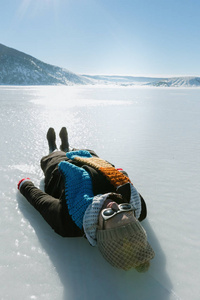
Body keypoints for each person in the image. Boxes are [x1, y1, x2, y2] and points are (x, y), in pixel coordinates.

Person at [17, 127, 155, 272]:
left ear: (97, 229)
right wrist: (117, 173)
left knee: (54, 155)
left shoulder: (68, 222)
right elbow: (124, 178)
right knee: (77, 150)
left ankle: (53, 146)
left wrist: (24, 184)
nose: (114, 204)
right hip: (91, 160)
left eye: (109, 214)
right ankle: (66, 145)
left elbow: (40, 201)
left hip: (59, 169)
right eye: (124, 209)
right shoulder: (138, 205)